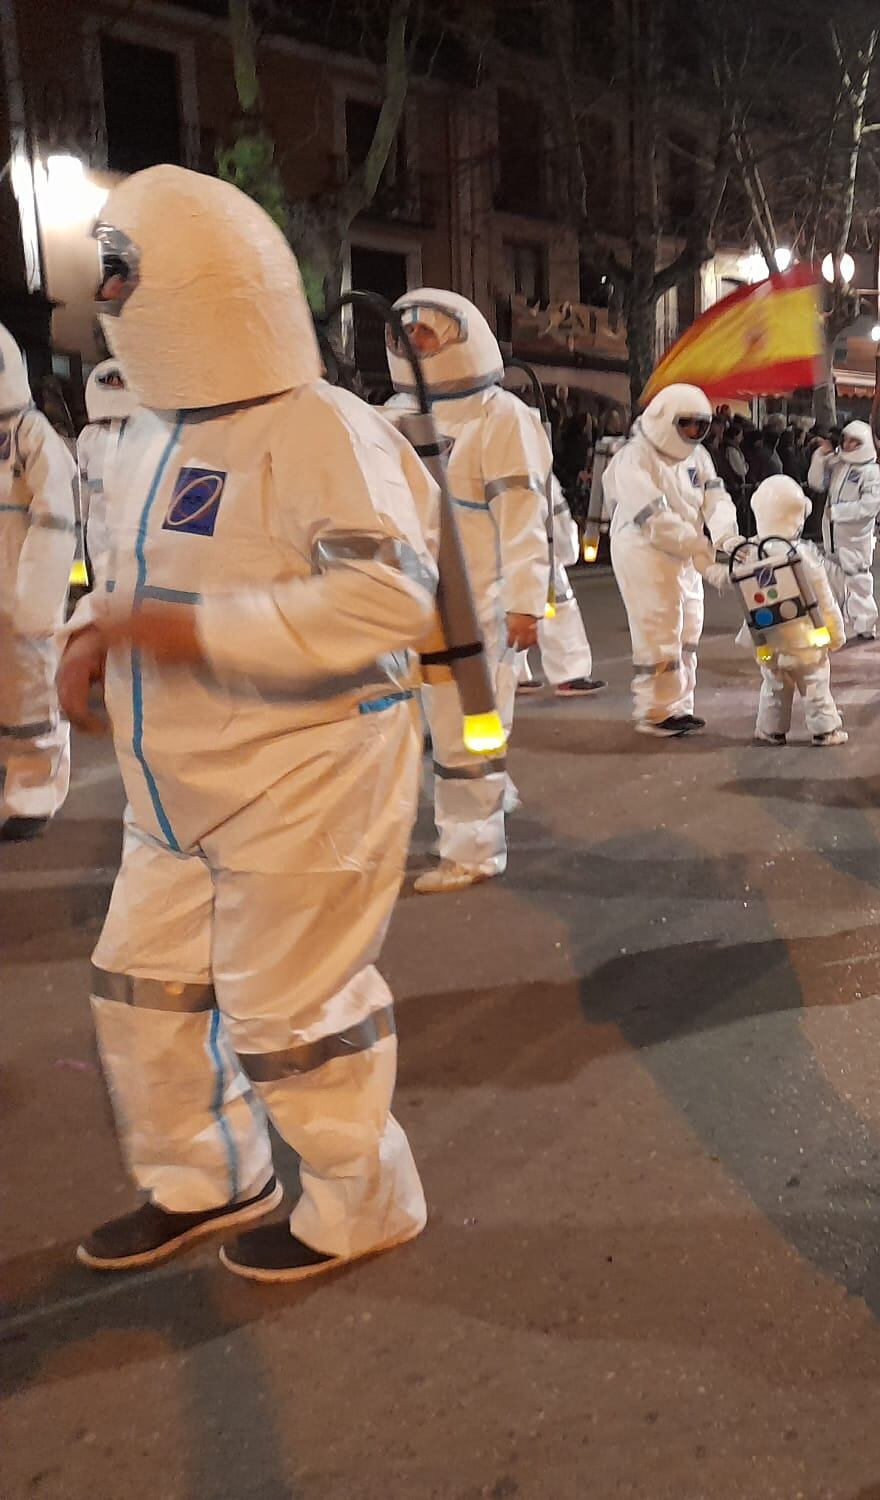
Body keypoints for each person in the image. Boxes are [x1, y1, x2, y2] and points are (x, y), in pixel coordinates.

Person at [60, 164, 432, 1280]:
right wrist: (91, 631)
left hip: (306, 779)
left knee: (292, 1011)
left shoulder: (323, 427)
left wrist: (198, 634)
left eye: (123, 272)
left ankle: (362, 1202)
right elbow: (131, 573)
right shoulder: (139, 429)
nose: (109, 294)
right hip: (169, 784)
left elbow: (391, 596)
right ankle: (208, 1179)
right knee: (143, 989)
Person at [381, 289, 549, 893]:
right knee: (416, 730)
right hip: (406, 603)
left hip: (476, 605)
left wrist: (526, 603)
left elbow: (524, 514)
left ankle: (474, 849)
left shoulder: (500, 415)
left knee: (467, 728)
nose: (415, 345)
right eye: (407, 335)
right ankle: (479, 805)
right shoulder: (390, 414)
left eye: (428, 333)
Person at [602, 383, 736, 736]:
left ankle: (680, 705)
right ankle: (656, 711)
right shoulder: (634, 458)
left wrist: (727, 537)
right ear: (665, 418)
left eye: (700, 426)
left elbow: (716, 499)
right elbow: (654, 519)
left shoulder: (698, 456)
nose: (694, 433)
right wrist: (700, 548)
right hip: (644, 550)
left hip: (685, 550)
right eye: (686, 424)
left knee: (689, 629)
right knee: (659, 628)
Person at [0, 324, 80, 841]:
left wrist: (36, 601)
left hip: (21, 597)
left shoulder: (31, 438)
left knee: (29, 699)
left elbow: (55, 520)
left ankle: (33, 794)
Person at [716, 474, 848, 746]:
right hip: (805, 639)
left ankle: (770, 728)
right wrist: (835, 632)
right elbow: (823, 597)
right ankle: (824, 729)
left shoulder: (752, 552)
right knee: (814, 681)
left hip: (766, 639)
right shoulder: (801, 555)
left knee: (774, 684)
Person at [516, 464, 604, 698]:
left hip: (505, 551)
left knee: (510, 610)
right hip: (539, 550)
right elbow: (558, 515)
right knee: (559, 608)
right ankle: (569, 675)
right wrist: (567, 551)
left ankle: (511, 675)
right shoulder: (536, 463)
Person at [808, 420, 880, 641]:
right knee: (832, 580)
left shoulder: (870, 472)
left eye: (854, 441)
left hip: (855, 537)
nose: (849, 445)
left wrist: (839, 512)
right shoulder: (839, 463)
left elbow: (871, 506)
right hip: (832, 534)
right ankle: (835, 623)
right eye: (846, 440)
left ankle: (866, 625)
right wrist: (820, 457)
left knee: (858, 581)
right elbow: (816, 482)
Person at [75, 358, 136, 586]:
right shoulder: (88, 438)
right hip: (98, 550)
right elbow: (79, 501)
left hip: (137, 551)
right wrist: (77, 571)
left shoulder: (148, 435)